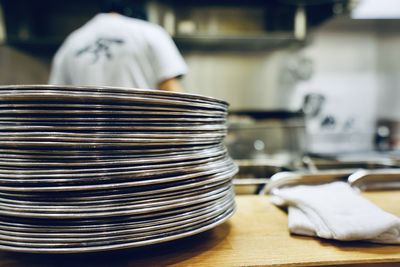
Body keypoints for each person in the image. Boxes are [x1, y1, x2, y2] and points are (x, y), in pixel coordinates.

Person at [49, 0, 187, 92]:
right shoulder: (152, 33)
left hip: (84, 135)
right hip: (140, 133)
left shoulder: (71, 43)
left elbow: (54, 98)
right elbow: (171, 91)